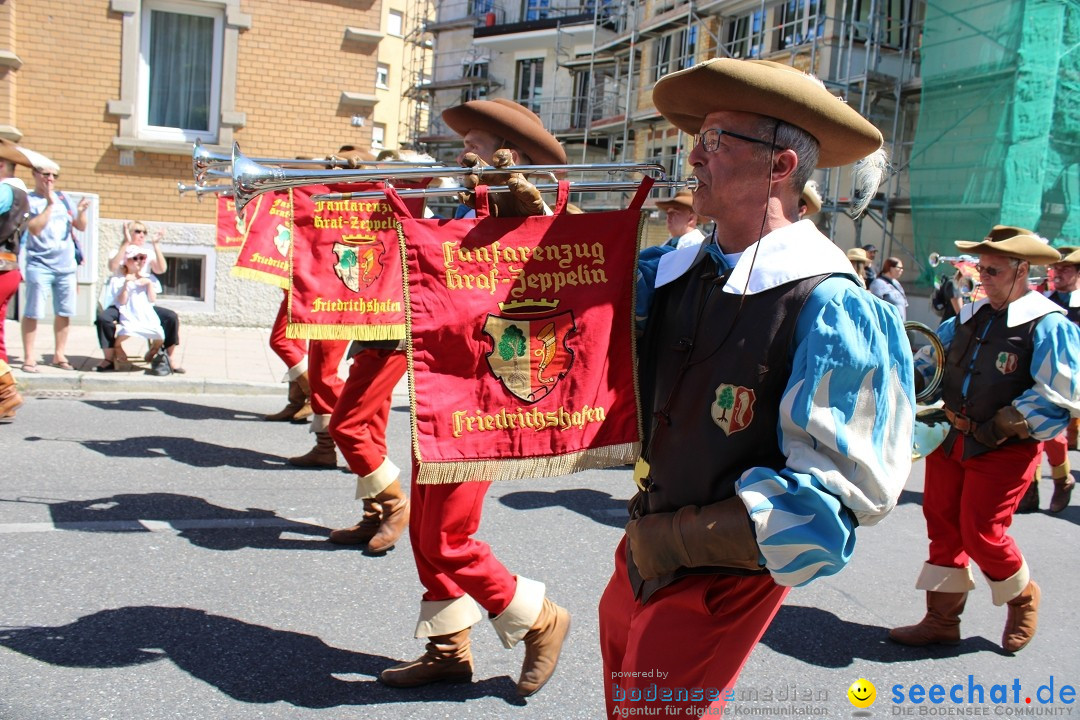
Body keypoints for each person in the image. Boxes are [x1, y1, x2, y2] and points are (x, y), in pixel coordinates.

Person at [600, 58, 914, 719]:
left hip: (722, 576)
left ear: (780, 168)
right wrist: (518, 237)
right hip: (641, 553)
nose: (692, 155)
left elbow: (827, 515)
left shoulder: (832, 304)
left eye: (716, 139)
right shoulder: (671, 268)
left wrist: (678, 540)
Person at [378, 98, 571, 698]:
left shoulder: (523, 205)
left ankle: (538, 616)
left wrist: (517, 200)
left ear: (519, 160)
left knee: (447, 536)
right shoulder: (468, 201)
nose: (468, 154)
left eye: (483, 146)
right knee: (425, 530)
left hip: (485, 394)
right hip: (444, 385)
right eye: (473, 145)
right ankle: (448, 649)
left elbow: (540, 256)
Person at [889, 227, 1080, 653]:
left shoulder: (1048, 324)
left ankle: (1022, 596)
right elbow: (930, 363)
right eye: (981, 268)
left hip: (1004, 451)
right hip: (950, 437)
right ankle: (941, 620)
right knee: (942, 526)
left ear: (1022, 271)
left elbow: (1061, 394)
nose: (983, 277)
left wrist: (1010, 423)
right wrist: (904, 382)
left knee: (983, 533)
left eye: (993, 270)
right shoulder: (968, 315)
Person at [1015, 246, 1080, 513]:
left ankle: (1062, 478)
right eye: (1056, 268)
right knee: (1030, 429)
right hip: (1036, 371)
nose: (1057, 273)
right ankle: (1031, 486)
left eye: (1065, 269)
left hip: (1070, 378)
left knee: (1054, 433)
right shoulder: (1043, 299)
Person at [20, 158, 88, 373]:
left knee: (64, 311)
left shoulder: (63, 198)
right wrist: (49, 204)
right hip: (39, 264)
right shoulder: (28, 201)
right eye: (45, 174)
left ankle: (59, 354)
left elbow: (80, 226)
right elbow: (34, 229)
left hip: (65, 266)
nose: (50, 179)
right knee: (33, 312)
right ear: (34, 174)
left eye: (54, 175)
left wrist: (81, 211)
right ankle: (29, 357)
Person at [94, 221, 184, 373]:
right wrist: (126, 242)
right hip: (121, 302)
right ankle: (109, 357)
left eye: (144, 232)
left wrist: (156, 245)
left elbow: (161, 269)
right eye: (137, 231)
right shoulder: (119, 252)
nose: (142, 234)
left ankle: (169, 358)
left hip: (141, 302)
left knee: (171, 317)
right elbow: (112, 266)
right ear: (129, 232)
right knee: (104, 319)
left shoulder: (147, 254)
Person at [100, 244, 166, 361]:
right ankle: (116, 347)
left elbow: (152, 299)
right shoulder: (120, 279)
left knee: (160, 334)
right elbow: (122, 301)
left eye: (142, 258)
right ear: (126, 261)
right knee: (128, 330)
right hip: (129, 310)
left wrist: (149, 284)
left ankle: (153, 351)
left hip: (145, 311)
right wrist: (126, 285)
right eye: (135, 258)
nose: (139, 261)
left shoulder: (148, 278)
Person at [0, 181, 30, 421]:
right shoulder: (24, 201)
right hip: (10, 269)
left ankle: (6, 392)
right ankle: (5, 400)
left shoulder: (6, 192)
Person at [869, 256, 908, 321]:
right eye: (899, 268)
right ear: (890, 268)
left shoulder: (897, 283)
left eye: (902, 268)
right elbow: (874, 306)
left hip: (900, 325)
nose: (902, 270)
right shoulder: (878, 283)